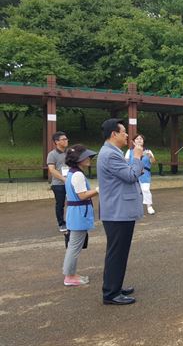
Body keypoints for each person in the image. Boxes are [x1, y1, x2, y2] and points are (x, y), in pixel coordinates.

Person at [97, 119, 142, 305]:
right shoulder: (110, 155)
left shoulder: (111, 152)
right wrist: (138, 157)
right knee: (117, 252)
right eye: (123, 132)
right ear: (113, 134)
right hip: (117, 211)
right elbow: (131, 176)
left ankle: (115, 286)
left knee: (119, 251)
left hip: (117, 210)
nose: (126, 135)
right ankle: (111, 293)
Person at [61, 144, 97, 287]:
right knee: (74, 246)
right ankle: (69, 276)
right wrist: (98, 189)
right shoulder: (78, 174)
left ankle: (71, 274)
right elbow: (82, 195)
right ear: (78, 159)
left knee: (74, 245)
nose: (89, 158)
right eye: (85, 156)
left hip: (75, 213)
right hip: (79, 214)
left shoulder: (72, 172)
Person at [125, 134, 156, 215]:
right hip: (133, 172)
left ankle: (149, 206)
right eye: (137, 139)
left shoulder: (148, 151)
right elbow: (126, 161)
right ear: (134, 141)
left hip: (145, 173)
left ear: (143, 141)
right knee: (133, 190)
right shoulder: (130, 151)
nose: (139, 140)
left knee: (145, 189)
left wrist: (150, 157)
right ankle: (133, 207)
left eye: (141, 139)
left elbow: (153, 162)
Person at [47, 131, 69, 232]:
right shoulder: (52, 154)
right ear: (56, 142)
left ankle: (71, 221)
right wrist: (64, 179)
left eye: (66, 139)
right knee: (60, 204)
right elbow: (52, 169)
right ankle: (61, 223)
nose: (66, 141)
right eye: (63, 139)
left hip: (70, 182)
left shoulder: (69, 152)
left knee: (73, 202)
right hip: (58, 184)